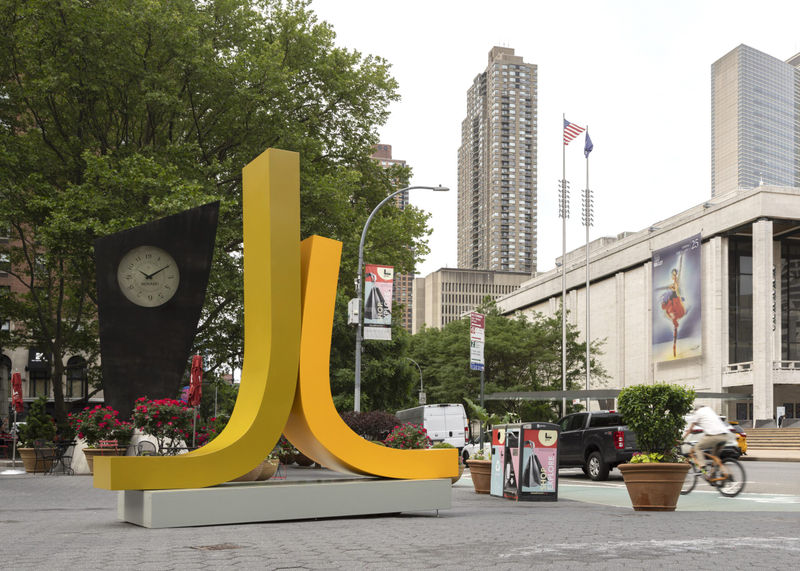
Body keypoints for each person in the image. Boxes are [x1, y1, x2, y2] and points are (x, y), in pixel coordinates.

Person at [683, 405, 730, 470]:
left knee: (697, 447)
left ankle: (702, 466)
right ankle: (723, 474)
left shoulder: (697, 413)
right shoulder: (709, 410)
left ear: (696, 410)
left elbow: (690, 429)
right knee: (714, 457)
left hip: (714, 435)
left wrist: (682, 439)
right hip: (724, 435)